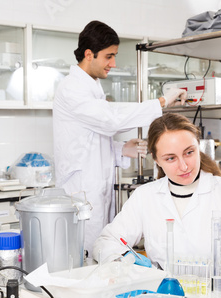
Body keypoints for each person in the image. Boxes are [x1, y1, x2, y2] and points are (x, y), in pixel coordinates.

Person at [93, 113, 221, 291]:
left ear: (198, 148)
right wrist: (125, 260)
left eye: (189, 152)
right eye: (170, 158)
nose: (184, 166)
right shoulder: (145, 196)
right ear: (156, 160)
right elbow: (106, 242)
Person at [53, 20, 187, 256]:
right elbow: (109, 119)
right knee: (84, 254)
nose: (113, 64)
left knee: (101, 249)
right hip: (80, 192)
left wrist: (120, 149)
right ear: (88, 54)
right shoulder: (71, 88)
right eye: (109, 56)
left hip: (94, 188)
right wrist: (162, 102)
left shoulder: (90, 87)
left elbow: (88, 139)